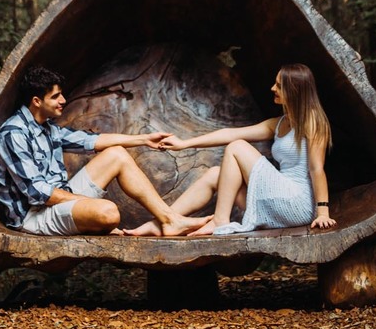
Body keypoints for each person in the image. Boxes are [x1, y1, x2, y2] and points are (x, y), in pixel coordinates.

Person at [0, 65, 208, 237]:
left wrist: (143, 139)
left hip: (59, 198)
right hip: (33, 216)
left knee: (117, 154)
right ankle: (97, 219)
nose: (63, 101)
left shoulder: (47, 127)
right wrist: (84, 202)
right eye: (56, 96)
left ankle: (169, 219)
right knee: (108, 212)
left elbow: (92, 140)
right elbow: (37, 192)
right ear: (37, 101)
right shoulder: (14, 133)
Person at [126, 63, 336, 236]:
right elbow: (229, 133)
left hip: (298, 203)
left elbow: (316, 169)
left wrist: (323, 212)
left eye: (279, 85)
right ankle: (163, 222)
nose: (273, 88)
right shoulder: (279, 123)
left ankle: (220, 220)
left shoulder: (313, 123)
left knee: (237, 148)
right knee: (215, 174)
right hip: (279, 198)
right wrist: (184, 143)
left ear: (294, 91)